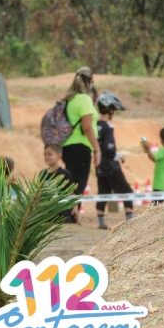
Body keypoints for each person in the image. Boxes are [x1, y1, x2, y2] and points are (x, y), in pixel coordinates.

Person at [61, 66, 102, 221]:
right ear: (90, 81)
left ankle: (69, 215)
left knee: (71, 183)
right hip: (81, 147)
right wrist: (97, 149)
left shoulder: (69, 99)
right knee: (78, 184)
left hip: (67, 146)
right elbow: (87, 127)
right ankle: (70, 217)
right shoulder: (84, 99)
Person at [95, 90, 133, 228]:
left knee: (103, 192)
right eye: (113, 110)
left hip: (99, 165)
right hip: (111, 166)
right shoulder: (107, 127)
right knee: (127, 191)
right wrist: (119, 156)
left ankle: (101, 222)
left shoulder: (95, 125)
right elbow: (109, 148)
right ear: (109, 110)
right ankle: (130, 221)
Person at [39, 144, 76, 223]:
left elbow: (71, 193)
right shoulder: (42, 174)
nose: (46, 156)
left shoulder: (65, 174)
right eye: (45, 154)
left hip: (62, 214)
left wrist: (75, 207)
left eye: (50, 154)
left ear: (59, 156)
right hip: (46, 214)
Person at [142, 126, 164, 204]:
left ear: (162, 140)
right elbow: (155, 159)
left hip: (160, 186)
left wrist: (148, 149)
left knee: (156, 211)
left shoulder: (163, 151)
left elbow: (153, 157)